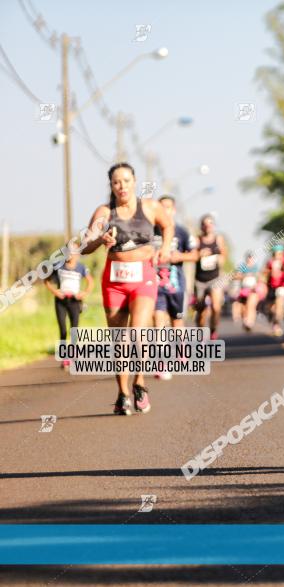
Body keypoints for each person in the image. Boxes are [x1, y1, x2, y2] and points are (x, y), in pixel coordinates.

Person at [80, 162, 173, 415]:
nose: (122, 186)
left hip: (143, 276)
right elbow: (84, 246)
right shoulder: (104, 212)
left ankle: (139, 382)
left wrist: (164, 248)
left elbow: (167, 225)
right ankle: (122, 394)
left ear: (134, 181)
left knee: (139, 333)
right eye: (116, 182)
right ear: (111, 185)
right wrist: (100, 240)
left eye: (126, 181)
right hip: (114, 280)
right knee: (119, 341)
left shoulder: (150, 207)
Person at [152, 195, 199, 380]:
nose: (165, 211)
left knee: (176, 322)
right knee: (158, 321)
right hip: (155, 284)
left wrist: (179, 257)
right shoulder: (150, 231)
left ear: (174, 210)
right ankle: (162, 362)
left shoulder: (181, 231)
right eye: (161, 207)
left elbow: (194, 255)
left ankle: (182, 349)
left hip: (176, 285)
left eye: (168, 207)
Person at [43, 252, 94, 369]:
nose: (70, 254)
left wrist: (84, 293)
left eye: (74, 252)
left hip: (75, 302)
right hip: (61, 301)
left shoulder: (81, 267)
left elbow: (90, 282)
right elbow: (46, 280)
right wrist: (55, 292)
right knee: (63, 330)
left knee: (74, 329)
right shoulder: (58, 265)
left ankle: (73, 354)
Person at [193, 214, 227, 340]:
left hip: (215, 278)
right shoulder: (197, 240)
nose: (208, 226)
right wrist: (199, 254)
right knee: (200, 310)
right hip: (200, 280)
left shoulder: (218, 239)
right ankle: (201, 333)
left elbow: (224, 255)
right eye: (205, 224)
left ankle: (213, 330)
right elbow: (191, 255)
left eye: (210, 223)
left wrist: (218, 258)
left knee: (216, 307)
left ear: (214, 225)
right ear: (201, 226)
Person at [263, 244, 284, 337]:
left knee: (279, 304)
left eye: (281, 253)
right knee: (271, 308)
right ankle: (273, 319)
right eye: (277, 253)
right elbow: (264, 274)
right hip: (271, 287)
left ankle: (277, 325)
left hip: (281, 287)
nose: (279, 255)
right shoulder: (270, 262)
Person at [233, 251, 260, 332]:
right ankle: (245, 320)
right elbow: (236, 276)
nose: (250, 259)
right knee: (244, 307)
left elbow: (259, 277)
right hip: (244, 290)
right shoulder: (243, 266)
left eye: (251, 258)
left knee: (251, 305)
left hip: (253, 289)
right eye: (249, 257)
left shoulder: (255, 267)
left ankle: (250, 322)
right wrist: (245, 275)